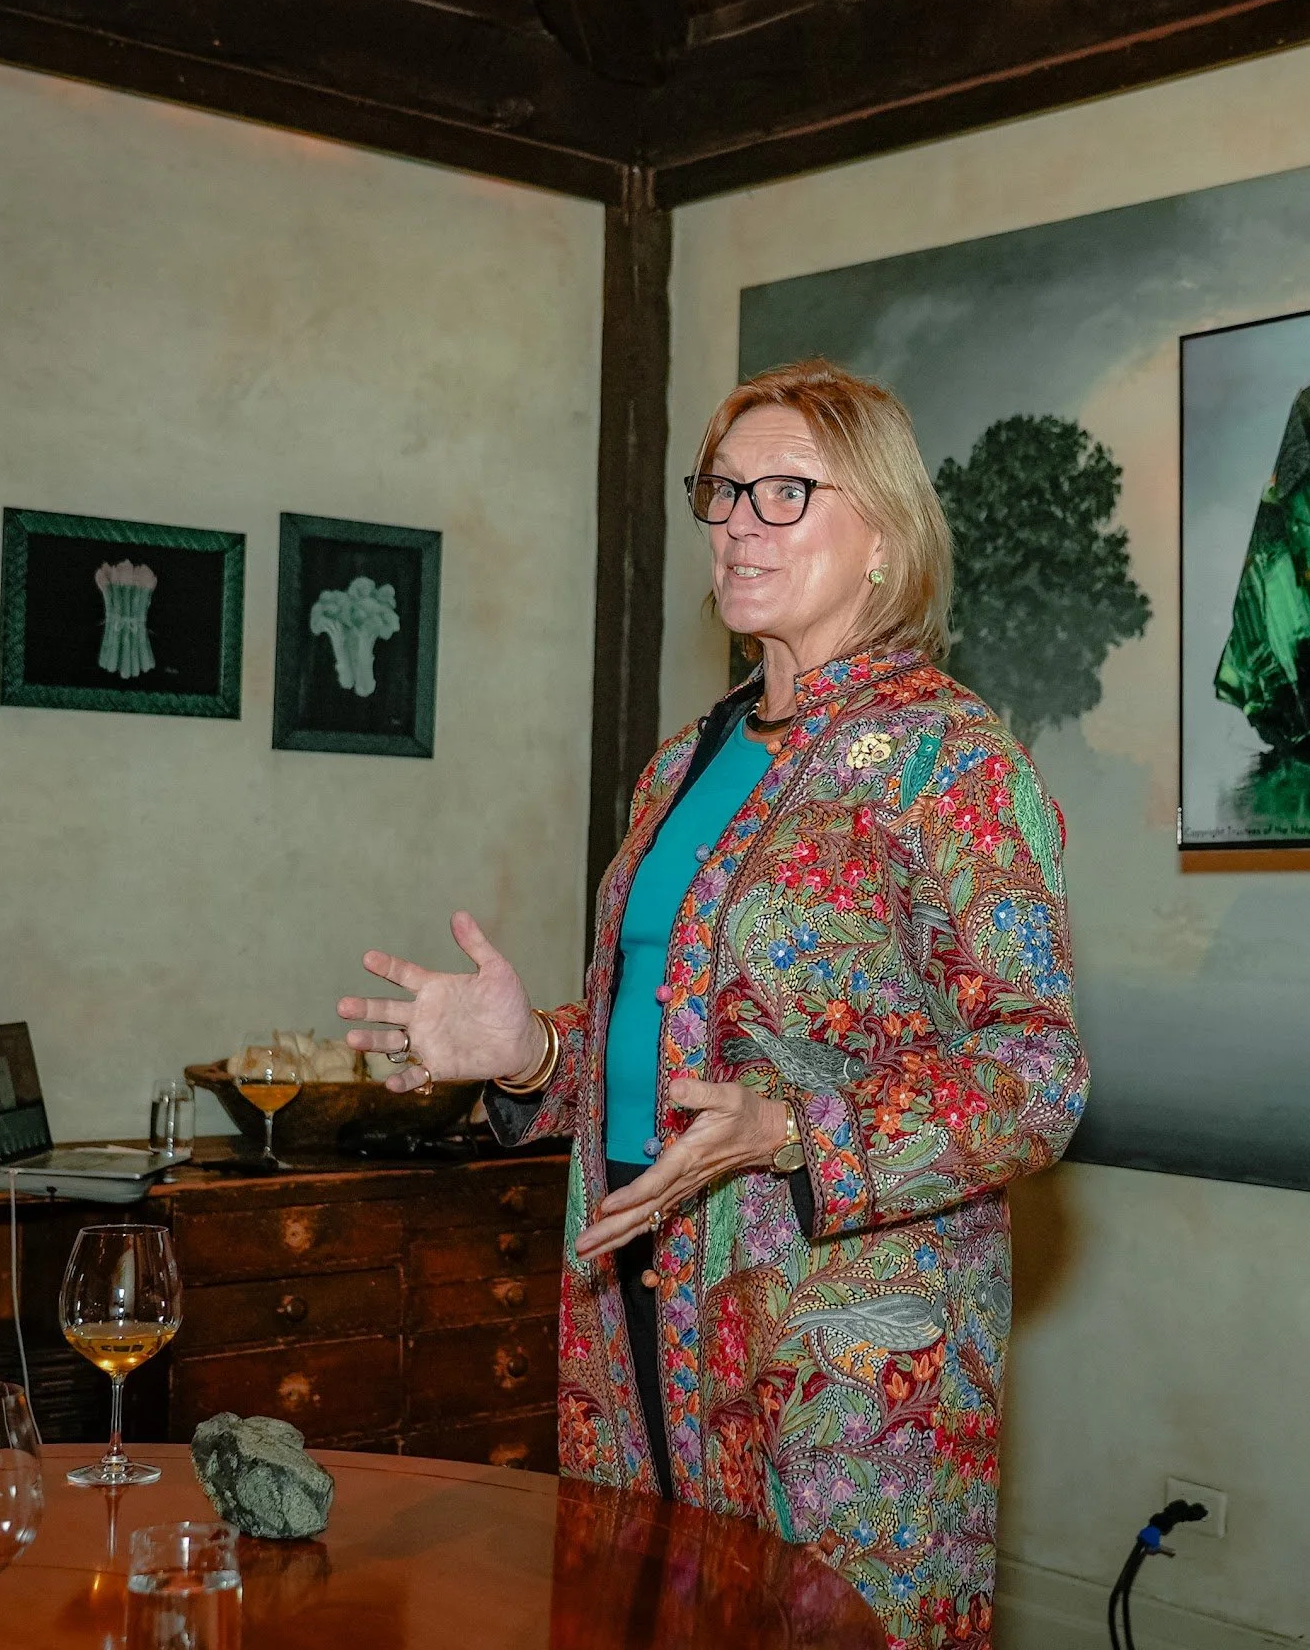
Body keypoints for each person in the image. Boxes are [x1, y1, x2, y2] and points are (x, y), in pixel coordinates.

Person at [338, 357, 1086, 1649]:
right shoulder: (682, 762)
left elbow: (1037, 1074)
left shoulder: (951, 760)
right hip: (630, 1321)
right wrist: (527, 1055)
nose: (737, 521)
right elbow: (662, 1044)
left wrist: (796, 1128)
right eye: (722, 490)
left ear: (886, 537)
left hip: (840, 1362)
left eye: (784, 492)